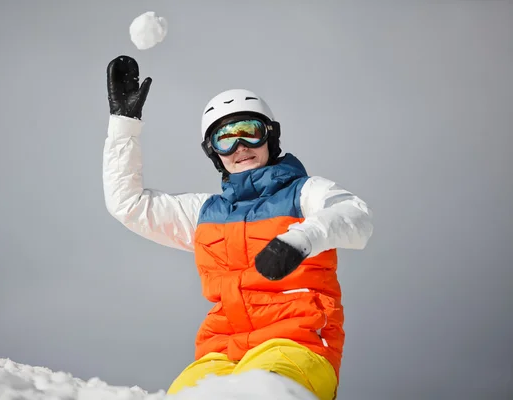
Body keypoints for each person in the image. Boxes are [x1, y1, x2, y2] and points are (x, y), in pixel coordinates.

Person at [102, 55, 374, 400]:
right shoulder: (206, 213)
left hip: (297, 346)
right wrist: (124, 124)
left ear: (270, 137)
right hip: (220, 351)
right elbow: (128, 205)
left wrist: (300, 239)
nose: (240, 147)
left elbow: (356, 216)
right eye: (225, 139)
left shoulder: (305, 194)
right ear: (214, 152)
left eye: (249, 132)